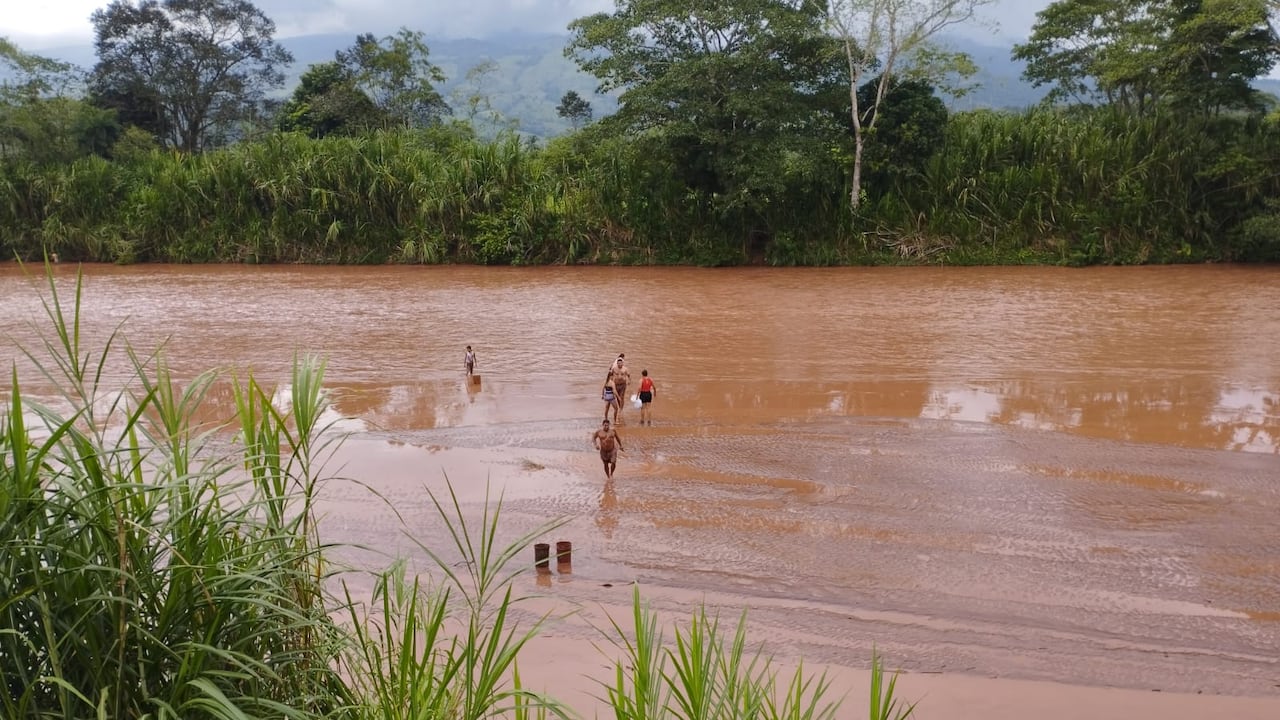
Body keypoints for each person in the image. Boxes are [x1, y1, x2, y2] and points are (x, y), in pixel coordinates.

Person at [609, 357, 632, 424]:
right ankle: (618, 408)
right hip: (615, 384)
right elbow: (610, 375)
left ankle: (620, 410)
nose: (619, 364)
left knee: (621, 397)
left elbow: (629, 375)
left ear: (622, 363)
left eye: (621, 363)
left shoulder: (625, 369)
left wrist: (629, 381)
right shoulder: (614, 368)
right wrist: (610, 382)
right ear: (617, 363)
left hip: (623, 385)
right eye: (618, 363)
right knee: (616, 397)